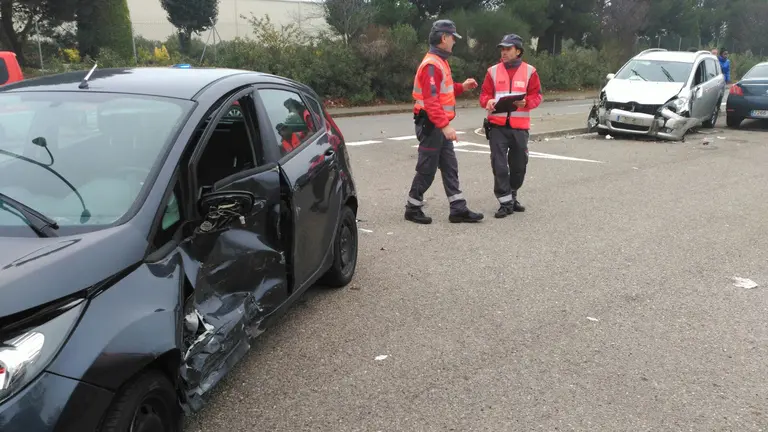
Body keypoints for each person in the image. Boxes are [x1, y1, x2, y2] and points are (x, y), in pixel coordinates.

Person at [404, 19, 483, 225]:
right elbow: (431, 101)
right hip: (432, 125)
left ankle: (458, 209)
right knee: (427, 169)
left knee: (450, 166)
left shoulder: (440, 62)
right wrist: (445, 125)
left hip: (436, 124)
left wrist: (462, 87)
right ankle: (412, 208)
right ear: (443, 38)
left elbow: (443, 91)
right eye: (453, 38)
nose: (454, 42)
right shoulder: (432, 64)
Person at [479, 34, 542, 219]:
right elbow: (484, 95)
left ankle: (512, 195)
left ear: (518, 51)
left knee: (519, 166)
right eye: (502, 49)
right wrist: (488, 102)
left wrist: (527, 102)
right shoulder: (492, 71)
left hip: (519, 127)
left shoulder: (530, 71)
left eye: (508, 49)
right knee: (499, 166)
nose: (504, 52)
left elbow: (537, 96)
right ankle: (505, 202)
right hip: (497, 126)